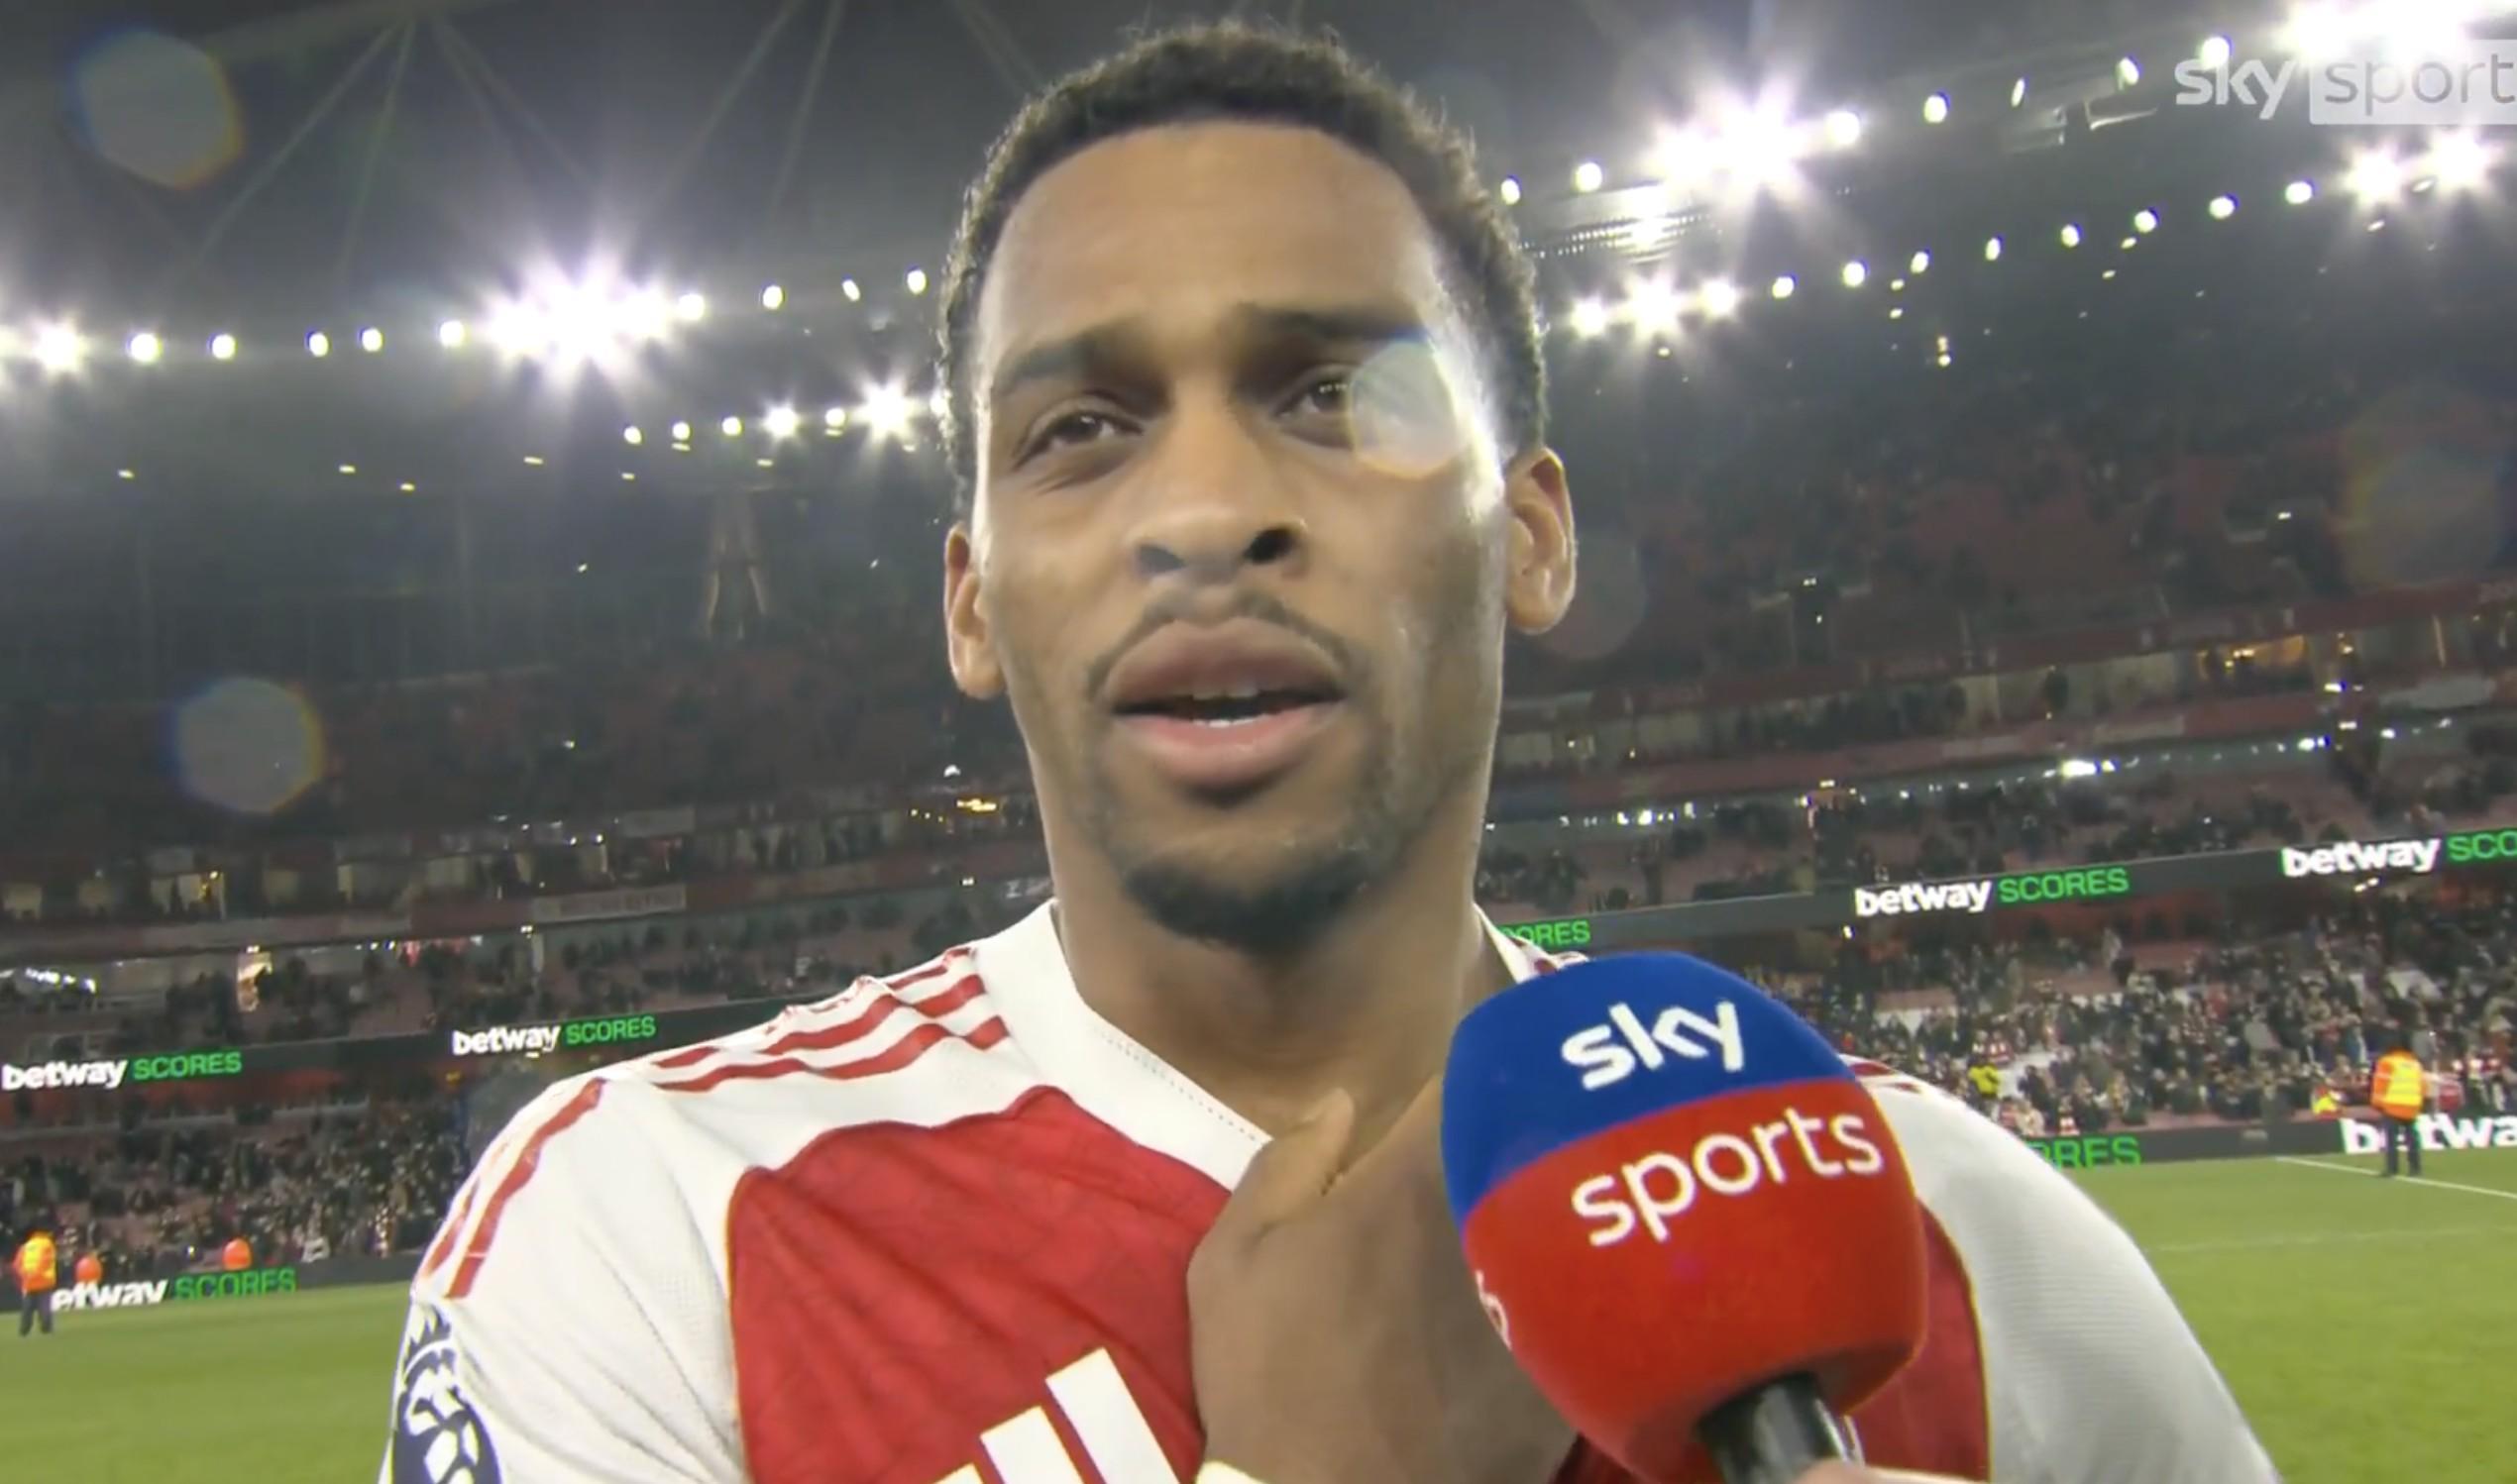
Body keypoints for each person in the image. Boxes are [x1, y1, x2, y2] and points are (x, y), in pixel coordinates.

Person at [382, 23, 2275, 1484]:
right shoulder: (647, 1231)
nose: (1205, 511)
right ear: (970, 600)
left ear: (1531, 534)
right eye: (1081, 429)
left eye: (1334, 392)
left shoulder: (1950, 1231)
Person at [2370, 1029, 2426, 1178]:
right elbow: (2422, 1085)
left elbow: (2381, 1084)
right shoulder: (2414, 1063)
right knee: (2412, 1139)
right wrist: (2419, 1102)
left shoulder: (2387, 1062)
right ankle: (2415, 1168)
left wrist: (2376, 1102)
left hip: (2392, 1105)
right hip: (2411, 1105)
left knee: (2391, 1139)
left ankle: (2392, 1168)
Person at [13, 1222, 57, 1339]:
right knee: (44, 1308)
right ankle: (46, 1330)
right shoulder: (47, 1244)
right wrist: (36, 1273)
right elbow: (47, 1260)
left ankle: (24, 1331)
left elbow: (16, 1264)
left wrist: (25, 1274)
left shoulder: (25, 1246)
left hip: (29, 1283)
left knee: (27, 1309)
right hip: (44, 1281)